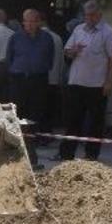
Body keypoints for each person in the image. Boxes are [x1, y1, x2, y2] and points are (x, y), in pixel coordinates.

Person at [57, 0, 112, 161]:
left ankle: (91, 154)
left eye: (93, 15)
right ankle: (66, 154)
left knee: (95, 122)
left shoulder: (108, 32)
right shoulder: (79, 30)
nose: (89, 18)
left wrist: (109, 82)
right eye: (87, 15)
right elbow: (67, 52)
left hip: (97, 84)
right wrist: (73, 51)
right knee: (73, 120)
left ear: (99, 15)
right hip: (76, 82)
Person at [6, 9, 54, 127]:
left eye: (33, 21)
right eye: (27, 21)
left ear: (39, 22)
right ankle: (19, 137)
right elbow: (9, 57)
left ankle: (35, 136)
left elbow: (50, 57)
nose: (30, 24)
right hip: (19, 79)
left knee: (37, 109)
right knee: (18, 109)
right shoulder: (15, 37)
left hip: (38, 78)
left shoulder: (47, 38)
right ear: (23, 22)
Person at [41, 12, 65, 142]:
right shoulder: (57, 38)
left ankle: (40, 136)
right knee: (50, 109)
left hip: (40, 79)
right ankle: (48, 134)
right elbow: (61, 60)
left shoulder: (38, 37)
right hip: (54, 78)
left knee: (39, 109)